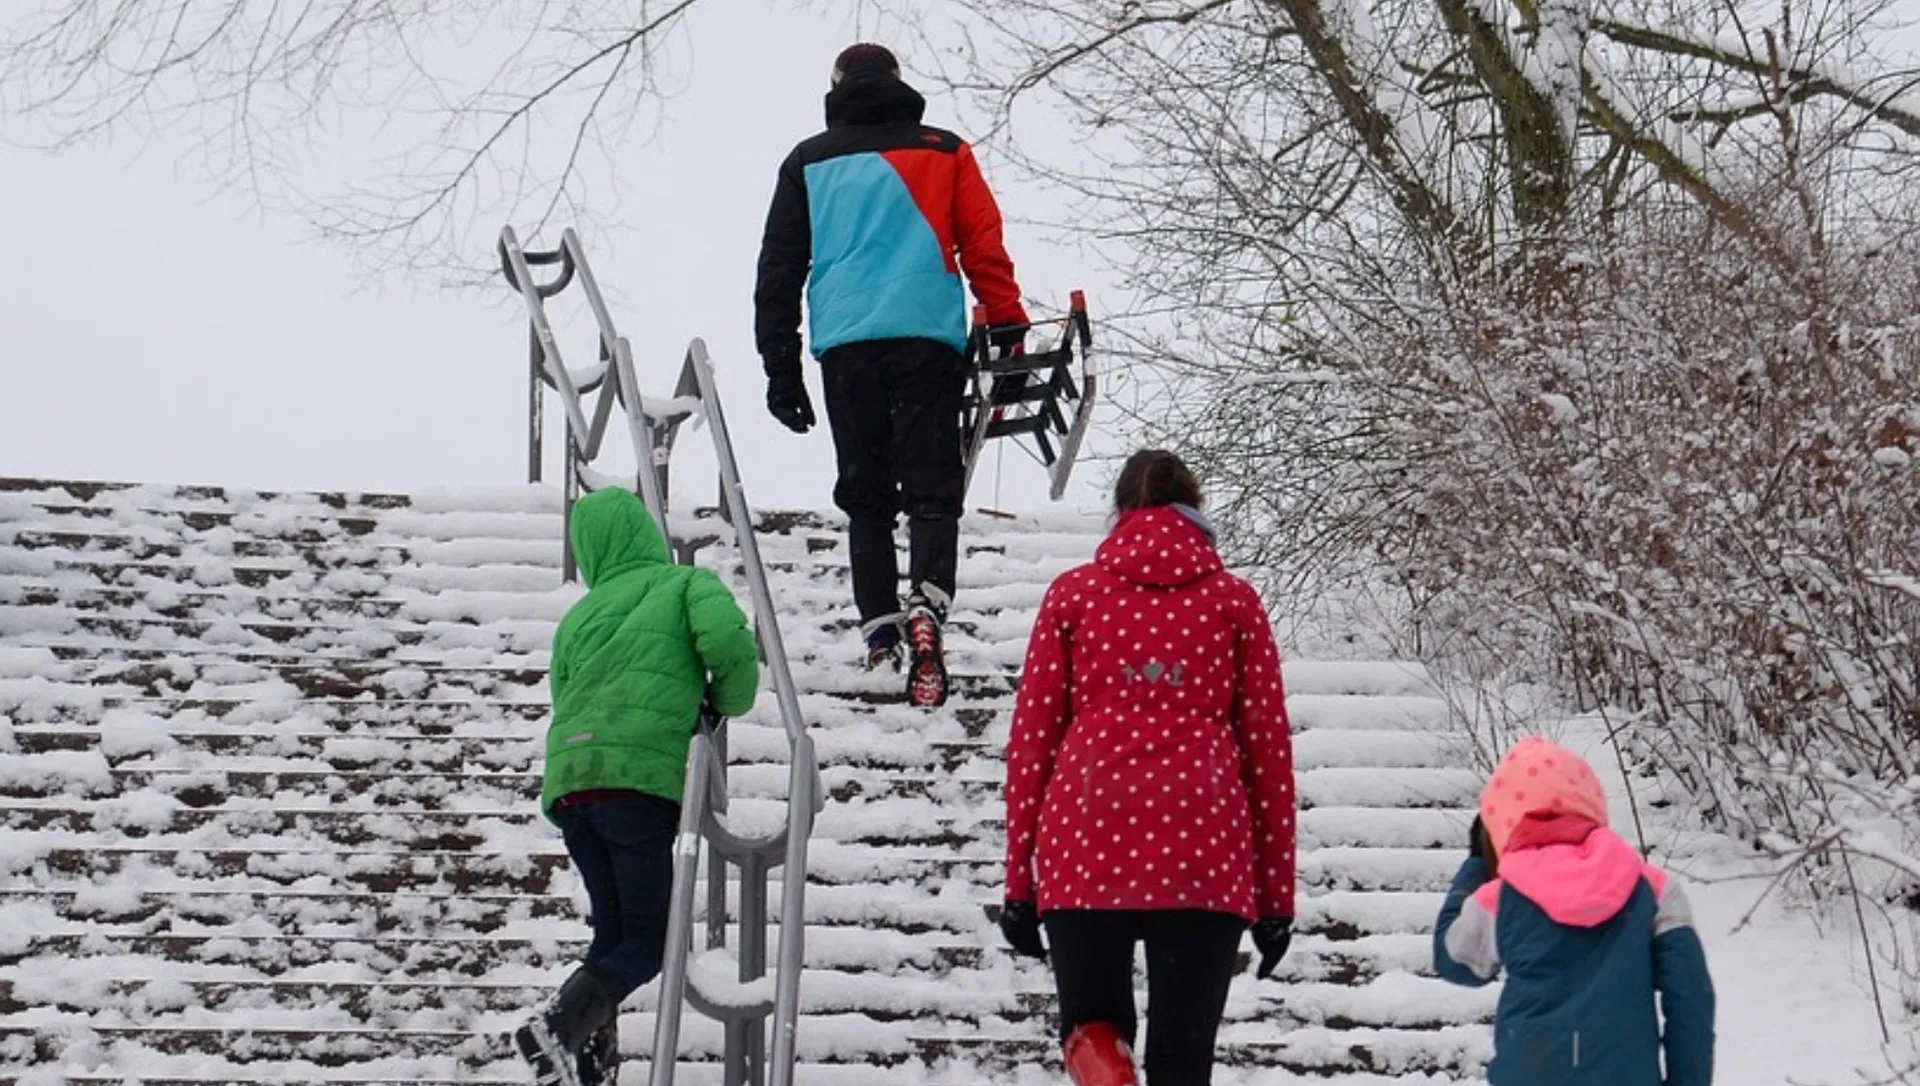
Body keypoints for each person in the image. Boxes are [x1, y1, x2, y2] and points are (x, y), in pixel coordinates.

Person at [998, 449, 1298, 1086]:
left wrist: (1019, 885)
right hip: (1202, 851)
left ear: (1120, 512)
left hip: (1086, 845)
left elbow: (1033, 745)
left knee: (1097, 1048)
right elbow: (1267, 754)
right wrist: (1276, 898)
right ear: (1196, 512)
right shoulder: (1234, 603)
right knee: (1182, 1064)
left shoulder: (1074, 596)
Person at [753, 41, 1030, 707]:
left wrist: (780, 368)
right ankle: (929, 603)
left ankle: (880, 631)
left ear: (837, 83)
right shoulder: (944, 149)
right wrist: (1008, 325)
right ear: (899, 82)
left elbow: (779, 270)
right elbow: (982, 244)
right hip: (926, 339)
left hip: (847, 343)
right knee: (933, 488)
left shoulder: (807, 161)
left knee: (866, 493)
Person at [514, 486, 760, 1086]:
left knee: (614, 934)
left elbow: (564, 696)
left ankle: (588, 1059)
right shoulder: (681, 584)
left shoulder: (580, 616)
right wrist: (721, 704)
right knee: (648, 944)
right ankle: (555, 1028)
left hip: (573, 788)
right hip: (634, 788)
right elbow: (728, 644)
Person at [1434, 736, 1715, 1086]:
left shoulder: (1501, 898)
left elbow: (1452, 961)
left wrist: (1475, 865)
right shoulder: (1655, 891)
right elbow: (1690, 1000)